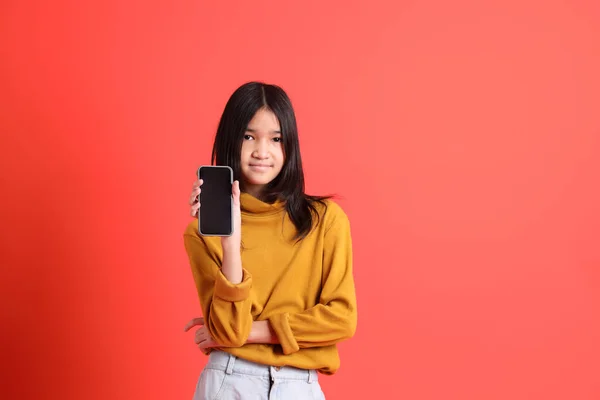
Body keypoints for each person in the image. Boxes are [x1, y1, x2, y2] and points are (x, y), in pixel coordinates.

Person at [182, 81, 357, 400]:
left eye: (276, 139)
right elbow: (228, 332)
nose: (262, 152)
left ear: (290, 145)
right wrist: (230, 244)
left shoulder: (325, 220)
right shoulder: (202, 234)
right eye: (248, 136)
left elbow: (342, 319)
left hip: (298, 386)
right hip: (229, 379)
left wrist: (251, 332)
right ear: (229, 141)